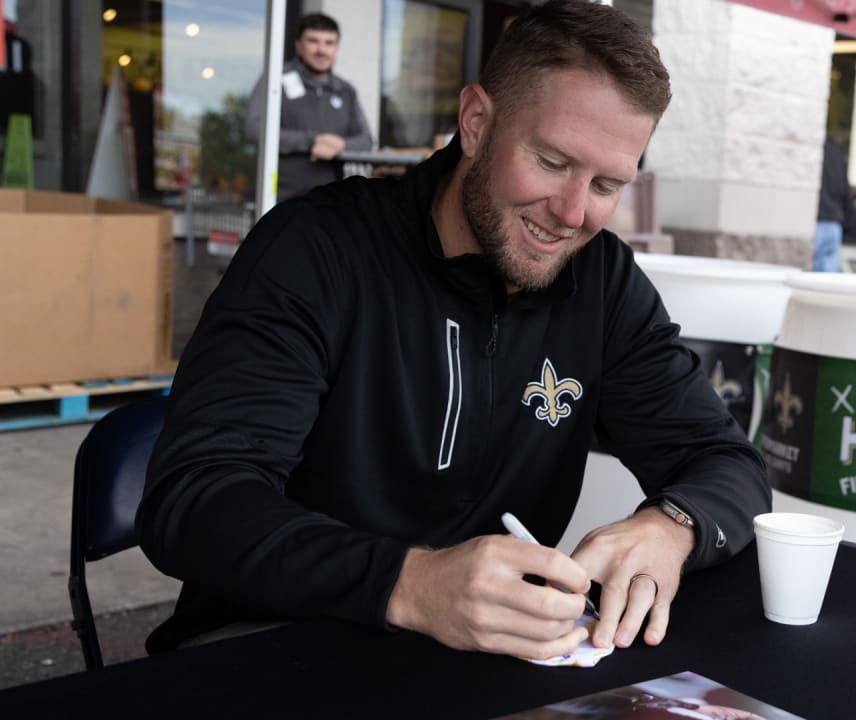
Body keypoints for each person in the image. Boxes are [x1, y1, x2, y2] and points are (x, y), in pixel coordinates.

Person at [137, 0, 769, 660]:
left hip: (487, 662)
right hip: (275, 645)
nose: (573, 213)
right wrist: (410, 584)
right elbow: (194, 501)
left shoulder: (602, 281)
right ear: (475, 122)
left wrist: (673, 527)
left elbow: (727, 463)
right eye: (552, 162)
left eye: (607, 184)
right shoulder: (316, 252)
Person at [245, 13, 373, 201]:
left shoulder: (345, 90)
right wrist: (312, 141)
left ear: (336, 47)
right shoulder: (274, 80)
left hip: (331, 201)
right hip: (282, 200)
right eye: (313, 41)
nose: (321, 50)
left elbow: (366, 140)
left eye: (329, 43)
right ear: (298, 46)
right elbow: (255, 129)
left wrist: (340, 145)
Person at [813, 138, 852, 272]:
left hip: (814, 223)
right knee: (825, 282)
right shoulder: (836, 153)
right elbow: (846, 192)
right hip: (833, 225)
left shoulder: (810, 150)